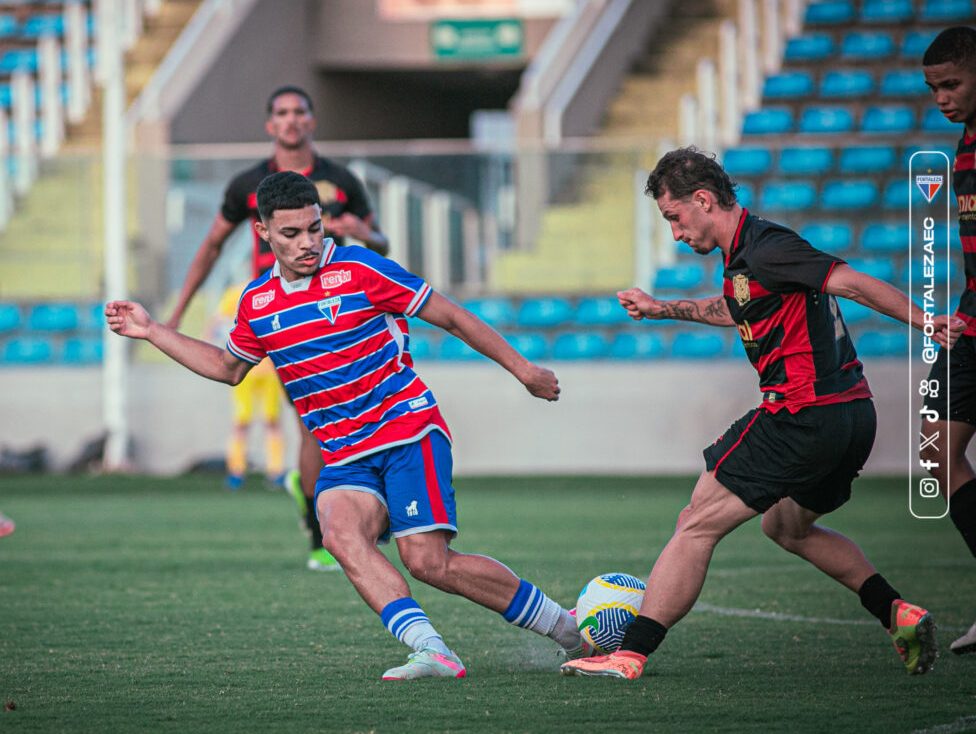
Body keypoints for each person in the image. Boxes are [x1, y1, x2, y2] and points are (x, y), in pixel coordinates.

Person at [107, 171, 585, 680]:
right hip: (342, 452)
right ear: (263, 233)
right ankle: (433, 651)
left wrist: (525, 370)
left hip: (406, 431)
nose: (308, 242)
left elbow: (451, 317)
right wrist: (153, 331)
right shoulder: (257, 303)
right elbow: (228, 368)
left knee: (426, 561)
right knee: (338, 532)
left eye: (313, 228)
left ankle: (566, 629)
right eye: (291, 234)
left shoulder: (359, 268)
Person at [560, 147, 965, 680]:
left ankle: (629, 653)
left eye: (674, 218)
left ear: (703, 200)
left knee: (695, 524)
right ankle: (895, 611)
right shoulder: (748, 258)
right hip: (851, 418)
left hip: (801, 415)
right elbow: (732, 308)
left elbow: (851, 282)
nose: (676, 233)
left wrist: (925, 320)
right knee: (787, 527)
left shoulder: (770, 248)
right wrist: (662, 308)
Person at [166, 85, 389, 572]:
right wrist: (179, 309)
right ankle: (319, 533)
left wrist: (360, 232)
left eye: (300, 112)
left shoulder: (341, 181)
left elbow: (381, 241)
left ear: (312, 120)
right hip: (279, 318)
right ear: (270, 125)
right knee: (314, 425)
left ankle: (331, 503)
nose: (291, 120)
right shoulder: (248, 184)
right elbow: (211, 246)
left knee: (332, 425)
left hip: (339, 315)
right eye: (282, 113)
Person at [919, 26, 976, 656]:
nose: (942, 98)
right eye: (934, 88)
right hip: (968, 325)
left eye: (952, 84)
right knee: (936, 453)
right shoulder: (962, 146)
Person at [212, 282, 286, 491]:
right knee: (242, 422)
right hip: (245, 367)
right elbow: (216, 323)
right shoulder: (237, 292)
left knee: (271, 421)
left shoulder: (278, 287)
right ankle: (236, 470)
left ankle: (276, 471)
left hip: (270, 369)